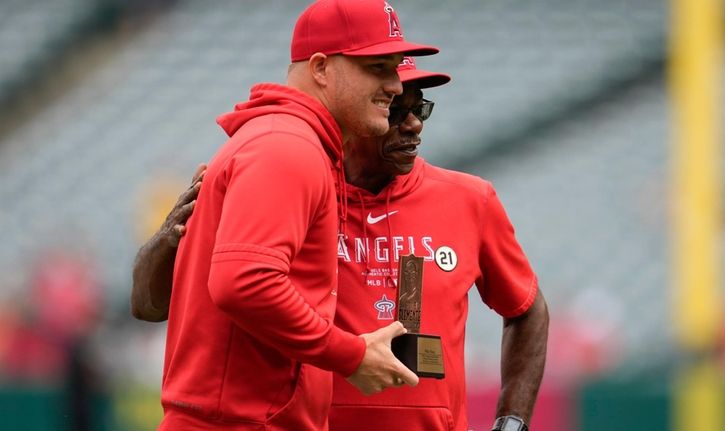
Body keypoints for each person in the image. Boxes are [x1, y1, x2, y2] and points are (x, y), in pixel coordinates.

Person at [134, 57, 549, 431]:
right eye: (396, 110)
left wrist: (511, 423)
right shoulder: (288, 186)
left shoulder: (469, 199)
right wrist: (168, 238)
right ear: (355, 115)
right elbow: (149, 305)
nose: (414, 124)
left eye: (419, 109)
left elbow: (527, 309)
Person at [147, 0, 440, 429]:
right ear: (321, 68)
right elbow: (244, 282)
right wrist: (351, 354)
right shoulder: (288, 145)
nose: (396, 86)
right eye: (378, 67)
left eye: (394, 67)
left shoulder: (285, 138)